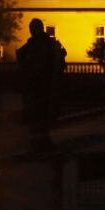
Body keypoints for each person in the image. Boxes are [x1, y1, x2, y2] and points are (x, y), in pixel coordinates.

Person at [16, 18, 66, 149]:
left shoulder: (42, 44)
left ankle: (41, 141)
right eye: (31, 29)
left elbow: (58, 60)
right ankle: (39, 141)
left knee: (41, 113)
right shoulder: (40, 44)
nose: (32, 31)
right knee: (39, 113)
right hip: (39, 84)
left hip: (42, 84)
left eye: (33, 28)